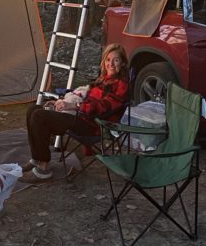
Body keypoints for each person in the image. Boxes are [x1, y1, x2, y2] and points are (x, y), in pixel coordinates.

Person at [23, 43, 129, 180]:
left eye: (116, 60)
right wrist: (61, 101)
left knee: (39, 117)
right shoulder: (103, 79)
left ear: (122, 62)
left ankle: (44, 169)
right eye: (108, 60)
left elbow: (103, 106)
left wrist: (74, 106)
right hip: (82, 116)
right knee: (33, 109)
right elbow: (84, 95)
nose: (111, 64)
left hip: (94, 125)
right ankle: (37, 159)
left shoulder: (121, 84)